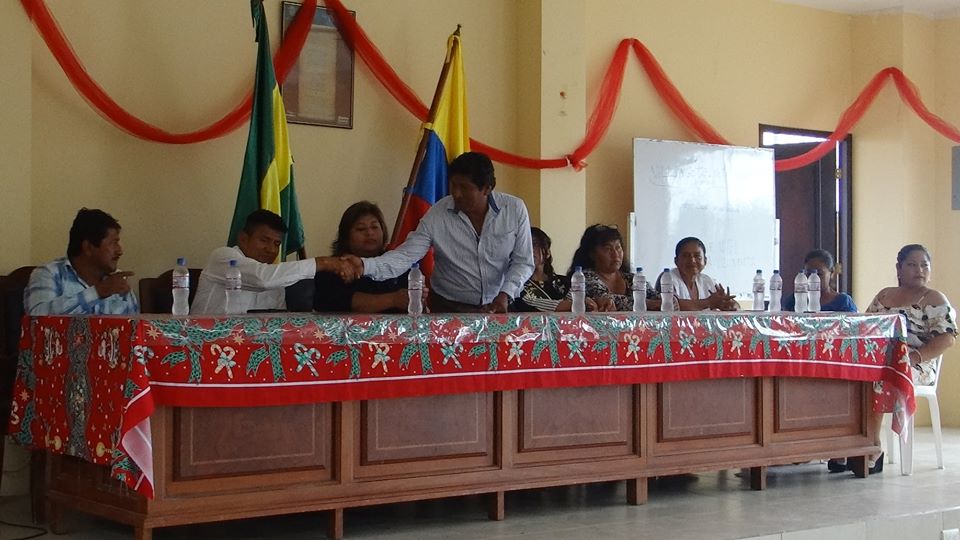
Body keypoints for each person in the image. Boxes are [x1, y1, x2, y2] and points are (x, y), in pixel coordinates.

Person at [345, 152, 534, 313]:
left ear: (486, 189)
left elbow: (523, 262)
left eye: (464, 188)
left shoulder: (514, 209)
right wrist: (365, 265)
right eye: (453, 185)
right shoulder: (437, 214)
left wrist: (505, 294)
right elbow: (404, 256)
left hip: (501, 305)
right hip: (449, 307)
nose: (456, 194)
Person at [852, 244, 956, 474]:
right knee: (851, 375)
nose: (919, 270)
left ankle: (872, 446)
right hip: (880, 360)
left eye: (924, 265)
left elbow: (947, 338)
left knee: (879, 375)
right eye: (912, 264)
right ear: (899, 269)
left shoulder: (934, 299)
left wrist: (915, 356)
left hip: (917, 364)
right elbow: (865, 326)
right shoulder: (884, 295)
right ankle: (848, 443)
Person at [192, 209, 357, 314]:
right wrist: (323, 263)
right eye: (264, 240)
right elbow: (261, 279)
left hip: (249, 348)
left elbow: (276, 322)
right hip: (204, 344)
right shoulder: (222, 256)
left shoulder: (277, 278)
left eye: (277, 244)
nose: (271, 249)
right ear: (243, 239)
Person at [312, 201, 425, 313]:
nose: (370, 233)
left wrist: (418, 297)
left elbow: (416, 306)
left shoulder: (397, 264)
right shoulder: (333, 267)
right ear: (346, 236)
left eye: (374, 227)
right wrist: (393, 299)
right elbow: (341, 302)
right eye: (361, 229)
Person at [25, 208, 139, 315]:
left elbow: (135, 326)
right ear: (88, 247)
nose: (120, 251)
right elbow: (37, 318)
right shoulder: (49, 274)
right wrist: (97, 292)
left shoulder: (118, 281)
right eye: (113, 243)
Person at [567, 224, 658, 312]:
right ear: (592, 254)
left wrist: (664, 301)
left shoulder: (631, 278)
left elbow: (657, 298)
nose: (615, 254)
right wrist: (648, 304)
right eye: (608, 249)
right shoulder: (585, 277)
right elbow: (607, 301)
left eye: (618, 248)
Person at [512, 227, 596, 312]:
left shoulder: (563, 282)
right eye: (523, 246)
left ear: (547, 252)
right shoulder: (515, 284)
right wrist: (576, 304)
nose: (528, 250)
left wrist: (589, 302)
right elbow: (531, 302)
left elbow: (577, 299)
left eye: (534, 244)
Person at [657, 237, 738, 311]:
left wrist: (729, 304)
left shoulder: (707, 281)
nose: (692, 261)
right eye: (686, 256)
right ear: (676, 261)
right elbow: (666, 305)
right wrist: (708, 302)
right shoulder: (667, 278)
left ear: (705, 261)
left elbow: (734, 305)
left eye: (697, 256)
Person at [783, 249, 857, 312]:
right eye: (808, 274)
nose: (813, 279)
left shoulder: (843, 302)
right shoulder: (794, 300)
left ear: (831, 272)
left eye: (819, 274)